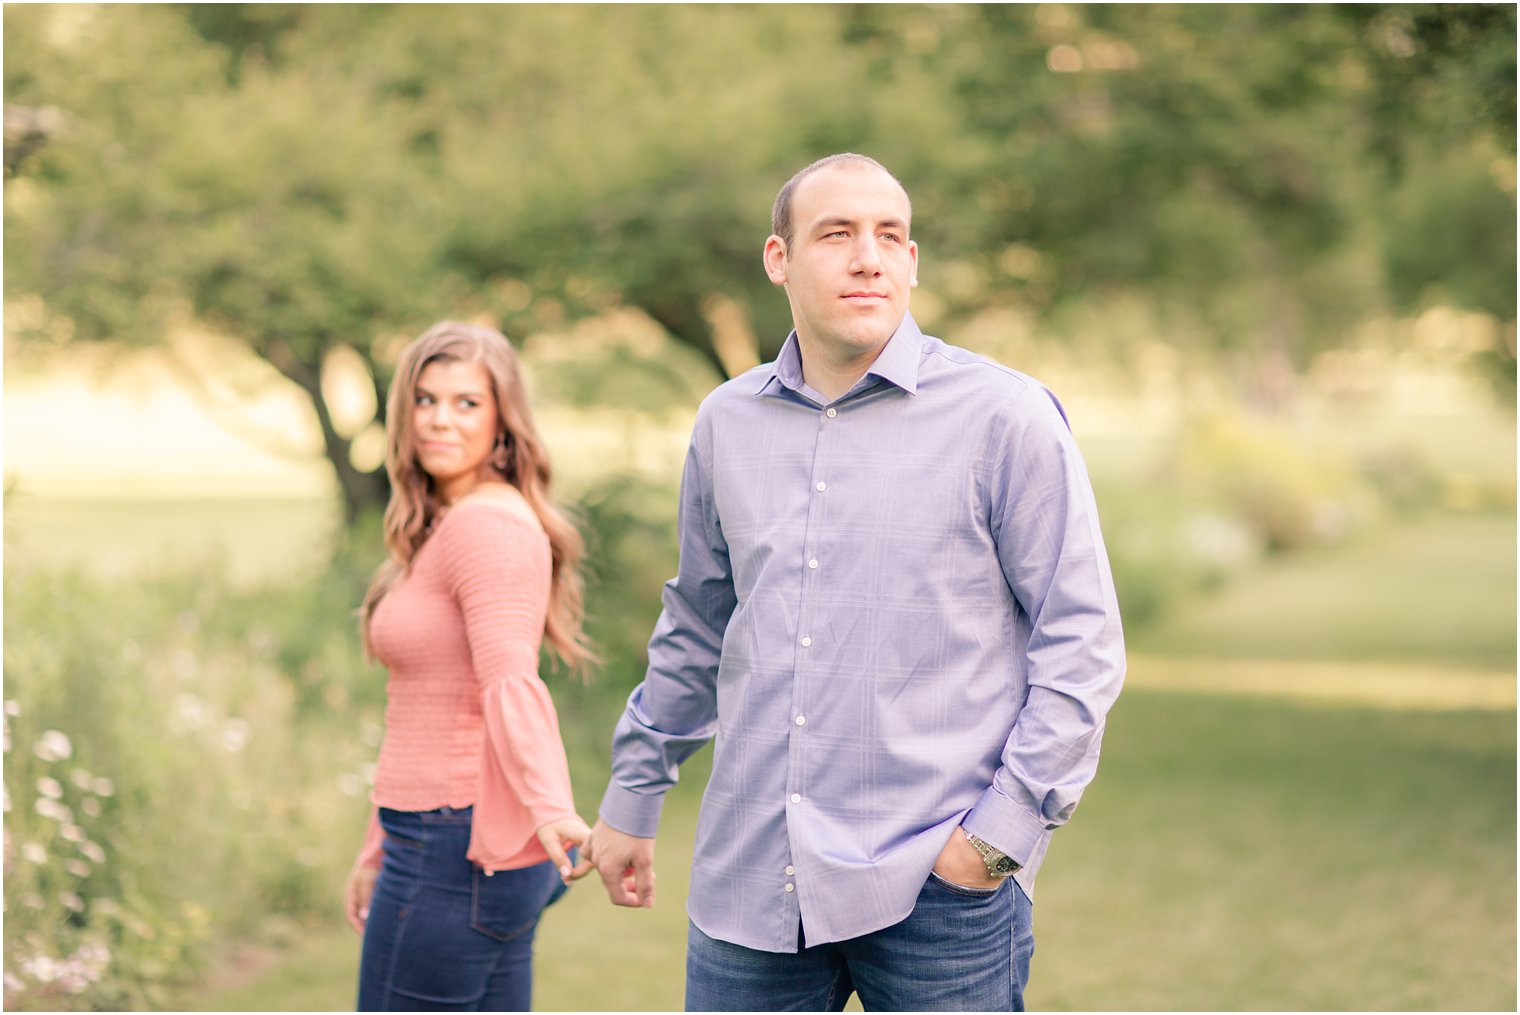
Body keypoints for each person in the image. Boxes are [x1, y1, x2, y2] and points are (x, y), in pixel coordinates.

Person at [573, 154, 1126, 1011]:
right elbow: (697, 625)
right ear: (778, 258)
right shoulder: (728, 421)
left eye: (890, 236)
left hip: (938, 888)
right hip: (751, 880)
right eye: (837, 234)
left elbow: (1081, 644)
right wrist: (634, 792)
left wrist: (996, 839)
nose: (869, 257)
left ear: (911, 261)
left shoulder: (1005, 417)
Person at [344, 321, 595, 1011]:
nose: (438, 420)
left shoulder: (486, 526)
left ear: (503, 421)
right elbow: (420, 704)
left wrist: (552, 809)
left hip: (450, 847)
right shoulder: (449, 522)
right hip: (433, 836)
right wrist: (376, 844)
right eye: (424, 400)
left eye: (466, 403)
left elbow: (509, 680)